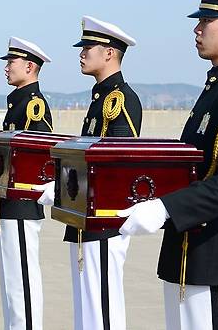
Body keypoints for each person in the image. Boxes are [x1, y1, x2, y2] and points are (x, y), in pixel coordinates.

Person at [119, 0, 218, 330]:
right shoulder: (215, 88)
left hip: (213, 249)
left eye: (206, 21)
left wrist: (165, 208)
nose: (197, 29)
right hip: (187, 246)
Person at [39, 16, 140, 330]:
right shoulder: (100, 99)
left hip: (105, 222)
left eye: (88, 47)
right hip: (86, 217)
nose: (81, 53)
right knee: (87, 304)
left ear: (109, 53)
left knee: (103, 308)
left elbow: (117, 168)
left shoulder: (120, 100)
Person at [0, 36, 52, 330]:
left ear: (29, 66)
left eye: (11, 62)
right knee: (11, 278)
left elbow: (41, 157)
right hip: (7, 202)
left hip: (23, 204)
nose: (6, 68)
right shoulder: (17, 102)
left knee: (23, 278)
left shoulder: (33, 105)